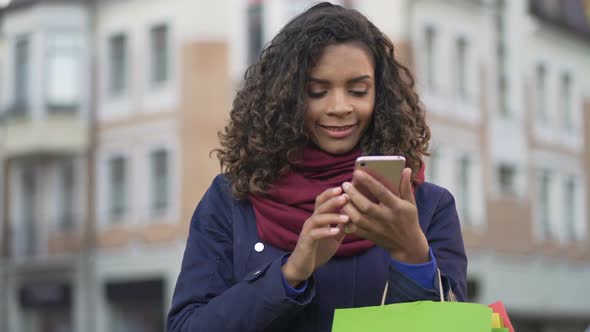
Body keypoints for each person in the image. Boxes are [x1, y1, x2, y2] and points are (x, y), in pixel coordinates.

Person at [167, 3, 467, 332]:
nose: (339, 107)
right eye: (317, 91)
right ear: (285, 98)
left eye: (358, 90)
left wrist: (412, 253)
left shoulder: (427, 207)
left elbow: (451, 325)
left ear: (380, 95)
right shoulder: (232, 200)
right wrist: (292, 270)